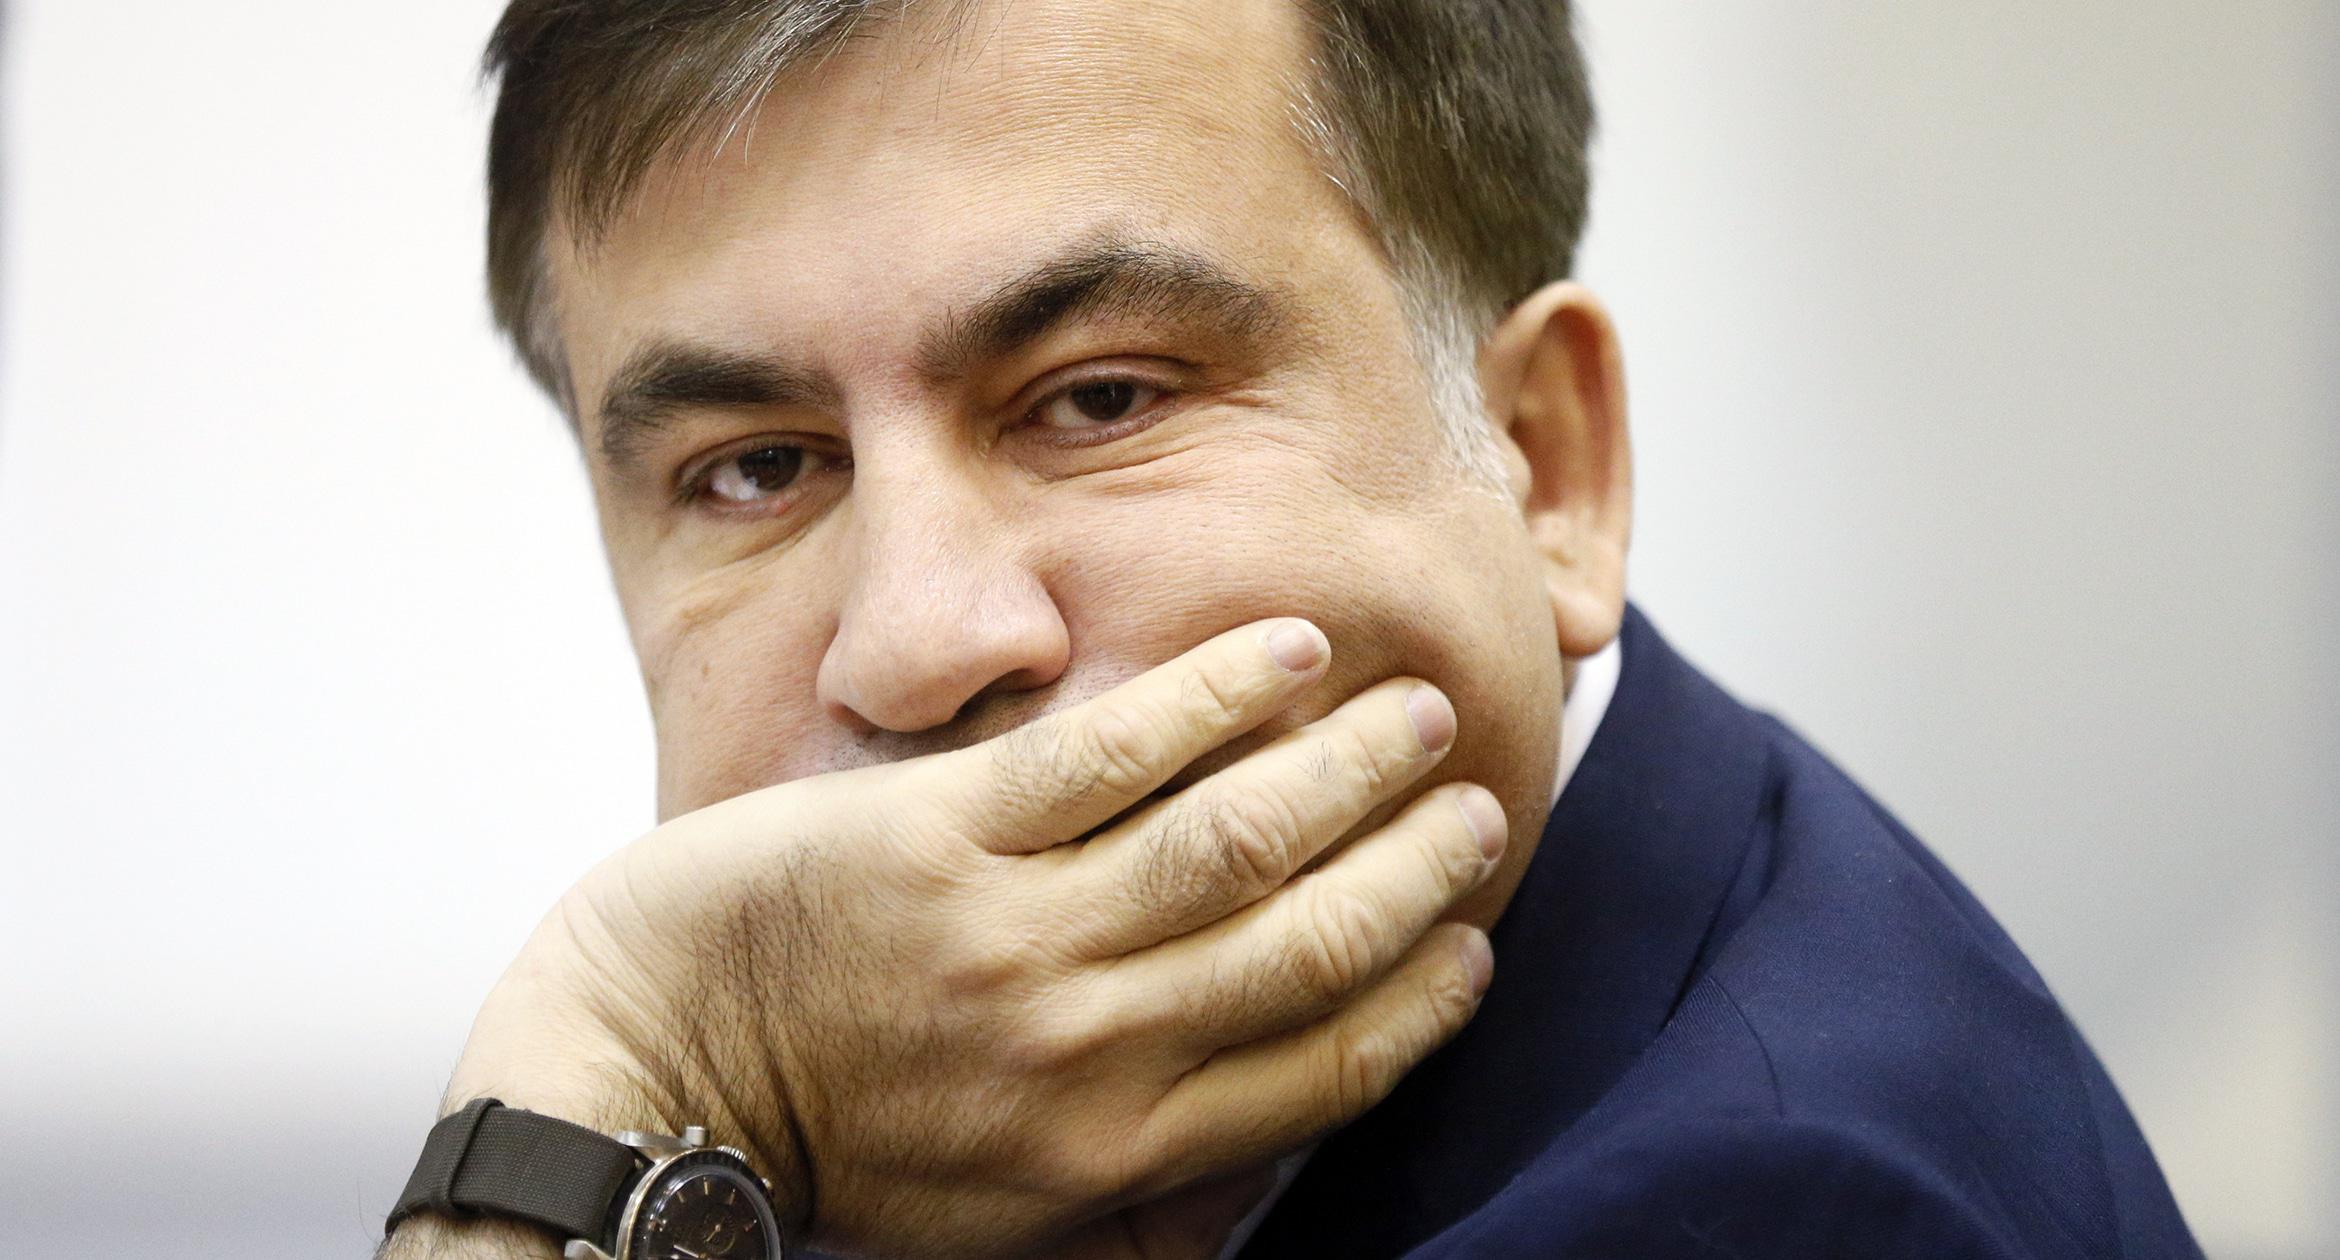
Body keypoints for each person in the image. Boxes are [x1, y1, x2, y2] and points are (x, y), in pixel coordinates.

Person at [382, 1, 2202, 1256]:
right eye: (758, 468)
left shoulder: (1758, 1213)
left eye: (1100, 398)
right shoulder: (918, 1122)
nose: (920, 643)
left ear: (1548, 466)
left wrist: (593, 1108)